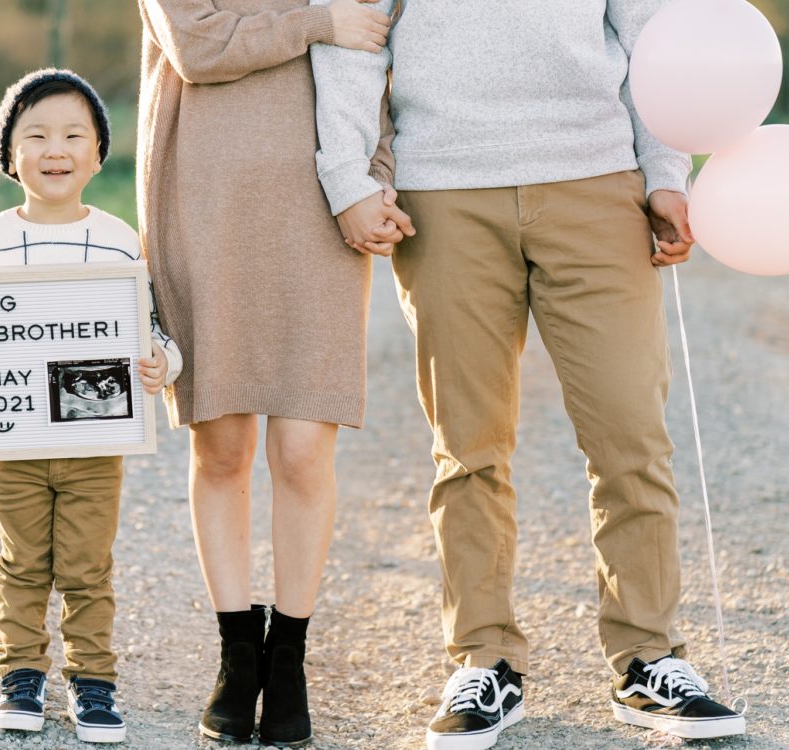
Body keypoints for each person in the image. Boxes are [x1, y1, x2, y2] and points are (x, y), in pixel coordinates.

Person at [309, 2, 747, 747]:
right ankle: (484, 659)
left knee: (630, 436)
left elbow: (653, 41)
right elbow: (354, 36)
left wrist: (667, 172)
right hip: (444, 192)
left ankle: (647, 657)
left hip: (598, 184)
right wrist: (345, 177)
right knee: (467, 446)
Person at [135, 1, 410, 746]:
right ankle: (236, 656)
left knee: (302, 448)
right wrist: (317, 20)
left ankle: (287, 656)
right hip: (201, 208)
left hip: (320, 213)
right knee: (220, 447)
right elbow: (197, 46)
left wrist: (377, 175)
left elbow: (378, 63)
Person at [0, 68, 183, 744]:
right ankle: (20, 678)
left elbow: (151, 331)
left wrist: (165, 365)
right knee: (21, 563)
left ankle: (94, 684)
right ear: (10, 155)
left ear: (98, 153)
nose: (55, 149)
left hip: (95, 443)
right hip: (13, 440)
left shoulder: (119, 238)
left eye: (75, 135)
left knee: (87, 566)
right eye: (35, 134)